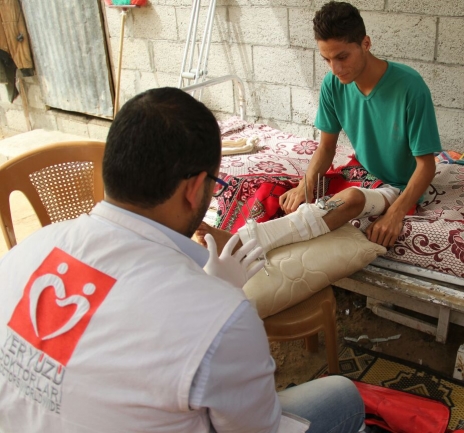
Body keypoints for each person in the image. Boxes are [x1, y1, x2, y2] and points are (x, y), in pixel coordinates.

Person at [0, 87, 364, 433]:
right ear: (193, 190)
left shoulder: (22, 257)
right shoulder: (224, 320)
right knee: (342, 397)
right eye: (214, 186)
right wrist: (218, 301)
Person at [211, 1, 441, 255]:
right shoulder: (333, 84)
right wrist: (304, 187)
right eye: (327, 59)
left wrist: (396, 214)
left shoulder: (410, 87)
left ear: (366, 43)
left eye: (342, 57)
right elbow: (326, 148)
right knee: (272, 190)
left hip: (398, 187)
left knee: (349, 200)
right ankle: (236, 236)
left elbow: (426, 165)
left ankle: (245, 243)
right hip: (362, 174)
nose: (336, 69)